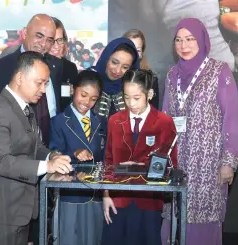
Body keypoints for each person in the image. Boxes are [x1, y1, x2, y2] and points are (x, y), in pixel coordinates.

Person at [0, 51, 72, 245]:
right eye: (39, 83)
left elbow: (35, 147)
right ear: (20, 77)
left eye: (46, 84)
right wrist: (47, 166)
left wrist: (53, 156)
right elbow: (0, 162)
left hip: (19, 210)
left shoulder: (26, 108)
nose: (43, 89)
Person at [161, 18, 238, 245]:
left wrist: (228, 161)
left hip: (208, 165)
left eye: (190, 39)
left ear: (202, 40)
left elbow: (232, 118)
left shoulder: (219, 71)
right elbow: (164, 118)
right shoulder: (171, 75)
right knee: (172, 224)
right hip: (176, 163)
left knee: (202, 227)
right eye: (179, 40)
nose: (184, 45)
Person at [101, 69, 178, 245]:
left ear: (149, 94)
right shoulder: (114, 120)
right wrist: (105, 195)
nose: (131, 103)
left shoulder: (165, 122)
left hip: (149, 201)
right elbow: (108, 161)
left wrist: (139, 167)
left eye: (136, 98)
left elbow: (170, 165)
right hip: (118, 200)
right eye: (126, 97)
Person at [0, 14, 63, 147]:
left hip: (51, 153)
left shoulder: (57, 66)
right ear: (24, 33)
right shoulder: (0, 69)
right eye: (39, 36)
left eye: (49, 40)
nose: (43, 44)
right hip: (13, 156)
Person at [49, 70, 105, 245]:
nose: (87, 102)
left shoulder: (102, 122)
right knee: (68, 237)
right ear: (73, 90)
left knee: (93, 238)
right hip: (69, 193)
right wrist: (73, 153)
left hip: (95, 193)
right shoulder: (58, 121)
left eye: (93, 99)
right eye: (84, 95)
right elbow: (53, 152)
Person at [92, 37, 140, 140]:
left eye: (125, 67)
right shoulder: (88, 81)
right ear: (106, 58)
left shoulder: (134, 90)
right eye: (114, 62)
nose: (118, 71)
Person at [123, 29, 160, 109]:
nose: (133, 53)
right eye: (129, 48)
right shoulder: (115, 75)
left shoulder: (151, 79)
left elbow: (153, 111)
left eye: (138, 50)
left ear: (142, 52)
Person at [49, 16, 78, 111]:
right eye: (51, 41)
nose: (56, 46)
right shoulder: (36, 67)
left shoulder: (70, 67)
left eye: (59, 40)